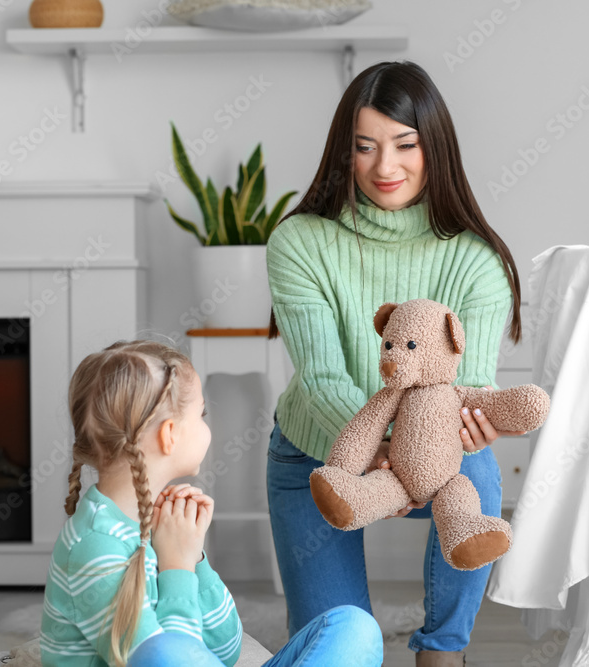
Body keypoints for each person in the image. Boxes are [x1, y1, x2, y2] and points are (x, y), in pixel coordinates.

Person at [265, 61, 525, 667]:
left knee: (479, 476)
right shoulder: (300, 242)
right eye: (365, 147)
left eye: (405, 145)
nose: (385, 167)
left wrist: (462, 425)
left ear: (434, 147)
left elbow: (471, 386)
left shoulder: (475, 261)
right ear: (343, 153)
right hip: (316, 452)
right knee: (337, 643)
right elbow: (324, 379)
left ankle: (442, 652)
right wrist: (382, 448)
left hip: (434, 456)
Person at [40, 339, 384, 667]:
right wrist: (176, 566)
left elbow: (227, 649)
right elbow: (166, 659)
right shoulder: (96, 545)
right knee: (164, 650)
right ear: (169, 435)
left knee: (355, 627)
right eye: (201, 414)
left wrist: (195, 559)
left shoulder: (163, 522)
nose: (206, 426)